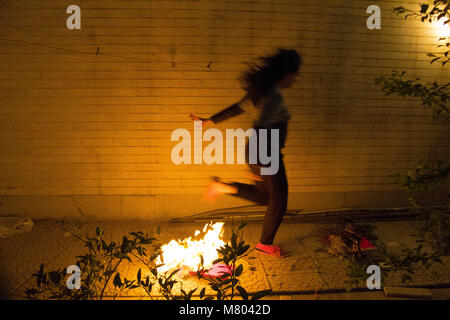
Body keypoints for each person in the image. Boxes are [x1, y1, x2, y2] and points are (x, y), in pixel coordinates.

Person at [190, 48, 302, 257]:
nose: (295, 79)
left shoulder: (260, 93)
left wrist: (210, 120)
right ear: (285, 73)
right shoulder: (273, 97)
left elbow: (236, 108)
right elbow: (262, 125)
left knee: (264, 197)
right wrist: (261, 160)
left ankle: (222, 186)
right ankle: (265, 244)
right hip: (265, 150)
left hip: (258, 150)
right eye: (294, 74)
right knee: (279, 198)